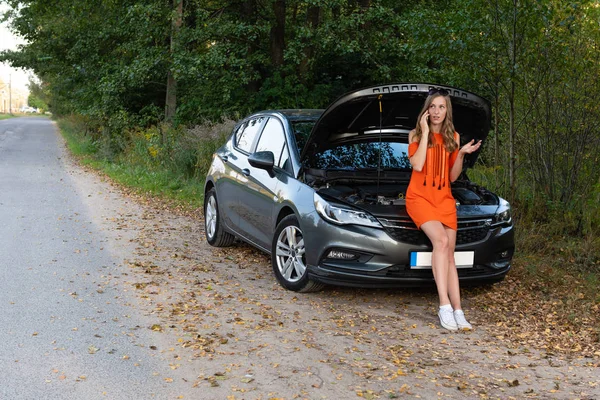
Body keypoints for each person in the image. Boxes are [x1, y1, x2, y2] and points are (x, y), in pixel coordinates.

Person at [406, 87, 482, 331]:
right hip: (419, 198)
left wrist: (460, 154)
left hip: (444, 199)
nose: (437, 111)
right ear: (426, 110)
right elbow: (417, 165)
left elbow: (452, 177)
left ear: (447, 111)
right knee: (440, 242)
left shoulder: (454, 137)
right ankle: (443, 306)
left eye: (442, 107)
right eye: (433, 106)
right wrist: (426, 132)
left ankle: (458, 311)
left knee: (449, 252)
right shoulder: (415, 135)